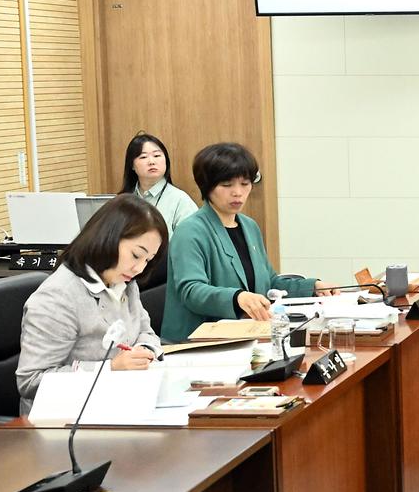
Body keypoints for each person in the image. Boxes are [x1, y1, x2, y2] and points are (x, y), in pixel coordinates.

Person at [16, 194, 166, 413]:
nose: (140, 268)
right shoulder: (58, 297)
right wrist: (110, 369)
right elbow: (31, 381)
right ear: (108, 238)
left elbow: (145, 331)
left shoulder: (124, 281)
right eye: (136, 255)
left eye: (148, 260)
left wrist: (144, 351)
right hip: (65, 418)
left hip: (121, 403)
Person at [160, 142, 314, 343]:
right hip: (196, 344)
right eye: (227, 185)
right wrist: (237, 297)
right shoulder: (190, 231)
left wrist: (313, 288)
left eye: (245, 183)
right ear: (207, 186)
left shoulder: (249, 226)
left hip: (248, 337)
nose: (238, 192)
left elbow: (269, 282)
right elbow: (191, 291)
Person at [119, 132, 195, 232]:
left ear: (166, 161)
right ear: (132, 165)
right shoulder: (122, 200)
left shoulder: (180, 200)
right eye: (143, 157)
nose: (151, 162)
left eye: (157, 155)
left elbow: (190, 239)